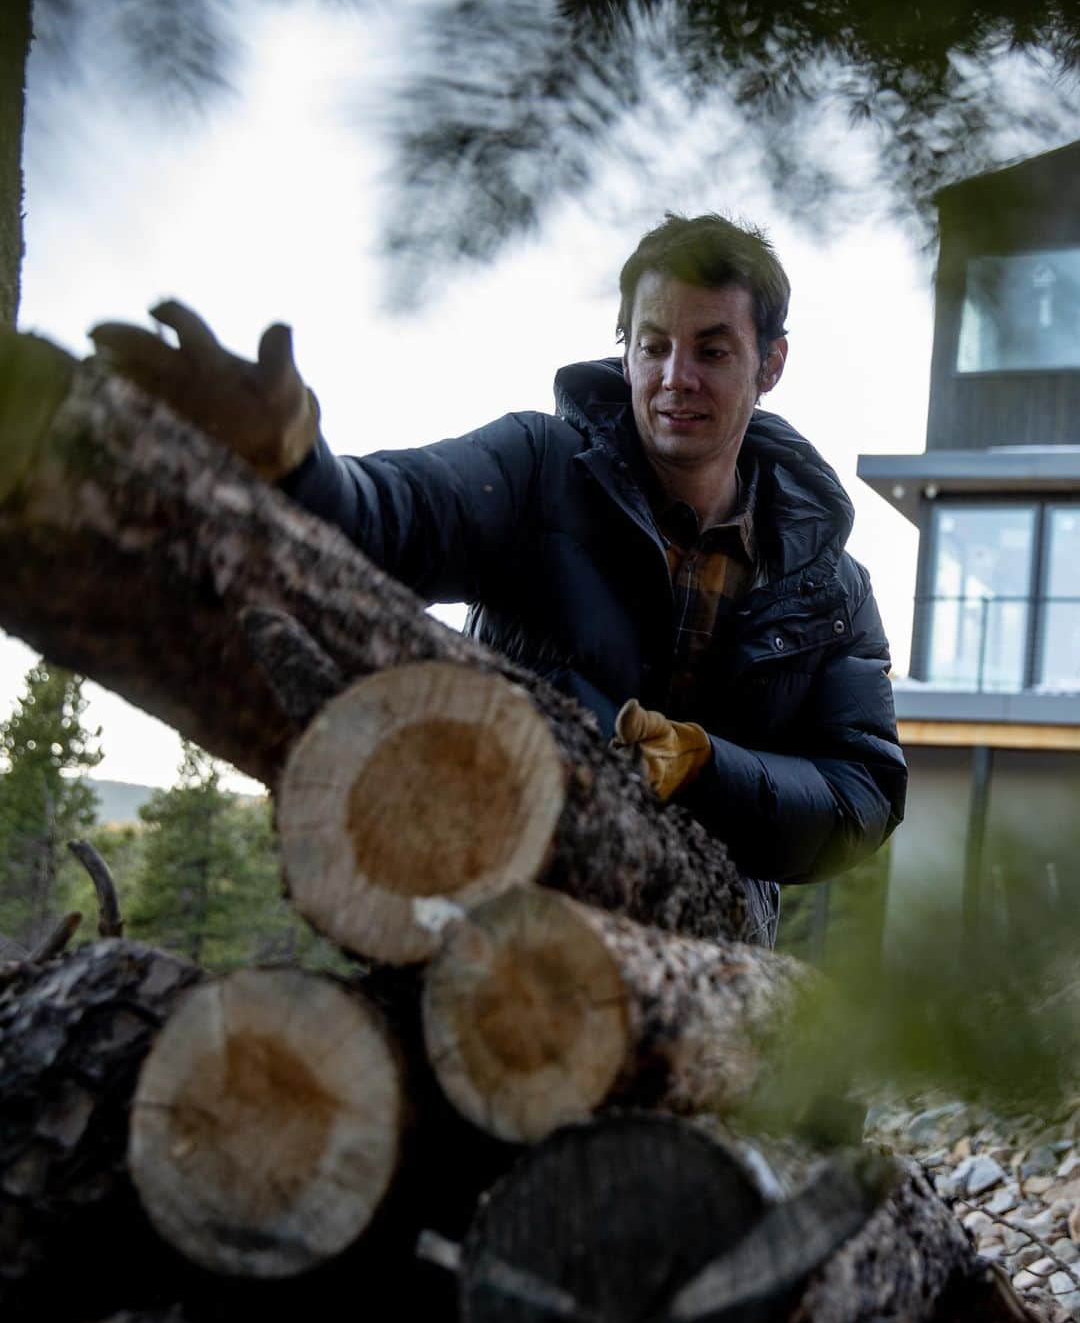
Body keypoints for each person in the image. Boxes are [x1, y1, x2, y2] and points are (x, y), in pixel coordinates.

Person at [90, 213, 906, 946]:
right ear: (622, 350)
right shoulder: (535, 469)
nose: (673, 377)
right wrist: (296, 461)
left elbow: (861, 795)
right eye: (652, 345)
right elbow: (394, 514)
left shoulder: (828, 586)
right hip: (497, 892)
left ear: (772, 364)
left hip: (712, 946)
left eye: (712, 350)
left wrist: (703, 765)